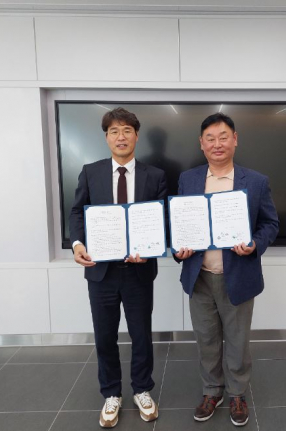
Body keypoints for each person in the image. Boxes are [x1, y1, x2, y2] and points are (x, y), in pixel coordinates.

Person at [174, 113, 279, 427]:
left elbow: (270, 224)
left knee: (237, 340)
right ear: (201, 143)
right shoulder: (188, 179)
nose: (217, 144)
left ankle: (237, 393)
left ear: (235, 140)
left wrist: (254, 244)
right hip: (199, 276)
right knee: (206, 339)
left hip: (239, 275)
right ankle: (211, 390)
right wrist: (178, 248)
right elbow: (177, 223)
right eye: (210, 138)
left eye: (223, 137)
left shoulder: (256, 181)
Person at [69, 107, 167, 428]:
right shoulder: (91, 172)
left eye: (127, 130)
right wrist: (78, 244)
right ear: (106, 137)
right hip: (101, 271)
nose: (120, 137)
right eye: (114, 131)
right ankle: (111, 393)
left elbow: (162, 219)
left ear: (136, 136)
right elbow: (77, 212)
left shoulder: (155, 176)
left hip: (139, 271)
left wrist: (151, 249)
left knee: (141, 335)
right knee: (104, 336)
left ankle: (142, 389)